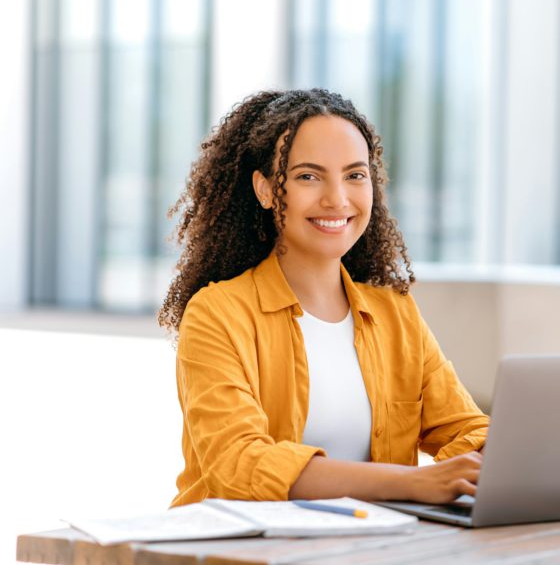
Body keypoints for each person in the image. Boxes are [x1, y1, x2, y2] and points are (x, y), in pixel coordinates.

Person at [157, 88, 488, 508]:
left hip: (370, 546)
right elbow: (239, 463)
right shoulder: (216, 314)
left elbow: (466, 430)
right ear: (263, 189)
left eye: (355, 175)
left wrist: (499, 455)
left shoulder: (394, 313)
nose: (337, 199)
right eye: (308, 176)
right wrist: (411, 482)